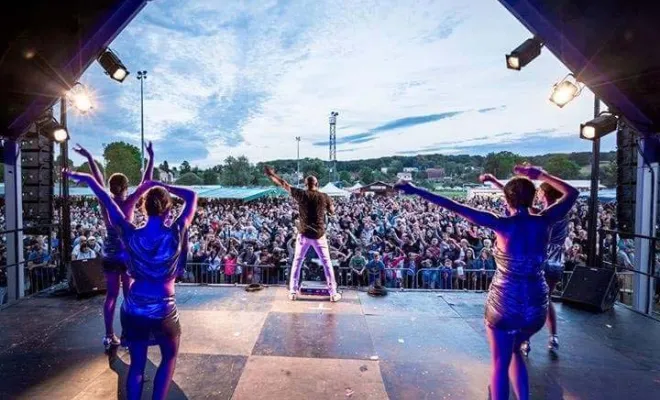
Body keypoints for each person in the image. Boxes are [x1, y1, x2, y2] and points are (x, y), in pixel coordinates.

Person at [397, 164, 578, 400]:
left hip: (504, 304)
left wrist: (417, 190)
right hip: (536, 305)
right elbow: (572, 193)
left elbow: (453, 205)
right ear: (533, 197)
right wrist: (542, 175)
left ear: (507, 200)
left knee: (500, 367)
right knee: (515, 352)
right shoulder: (545, 221)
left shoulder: (502, 225)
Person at [65, 170, 197, 400]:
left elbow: (105, 199)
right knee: (169, 358)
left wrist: (85, 179)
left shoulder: (130, 234)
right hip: (164, 308)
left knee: (136, 366)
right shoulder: (176, 232)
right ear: (167, 209)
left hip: (133, 307)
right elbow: (192, 195)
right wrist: (159, 183)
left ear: (143, 208)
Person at [74, 142, 155, 350]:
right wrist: (151, 157)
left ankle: (109, 335)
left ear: (110, 187)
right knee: (128, 297)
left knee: (111, 296)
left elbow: (97, 181)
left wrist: (90, 157)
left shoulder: (105, 202)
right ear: (126, 186)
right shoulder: (129, 203)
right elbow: (147, 181)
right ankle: (127, 335)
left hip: (109, 255)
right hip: (126, 256)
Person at [481, 173, 572, 356]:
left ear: (544, 195)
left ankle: (523, 339)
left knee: (528, 298)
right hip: (557, 261)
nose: (537, 195)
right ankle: (553, 337)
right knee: (546, 299)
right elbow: (521, 202)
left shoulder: (543, 216)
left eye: (539, 193)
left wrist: (496, 182)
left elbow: (520, 204)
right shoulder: (559, 213)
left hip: (540, 261)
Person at [263, 166, 341, 301]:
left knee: (297, 262)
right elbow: (332, 212)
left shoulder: (302, 194)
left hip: (304, 234)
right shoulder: (324, 197)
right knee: (327, 263)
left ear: (305, 185)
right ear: (317, 184)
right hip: (319, 235)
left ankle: (293, 292)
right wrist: (327, 209)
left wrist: (272, 175)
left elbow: (284, 184)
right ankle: (333, 293)